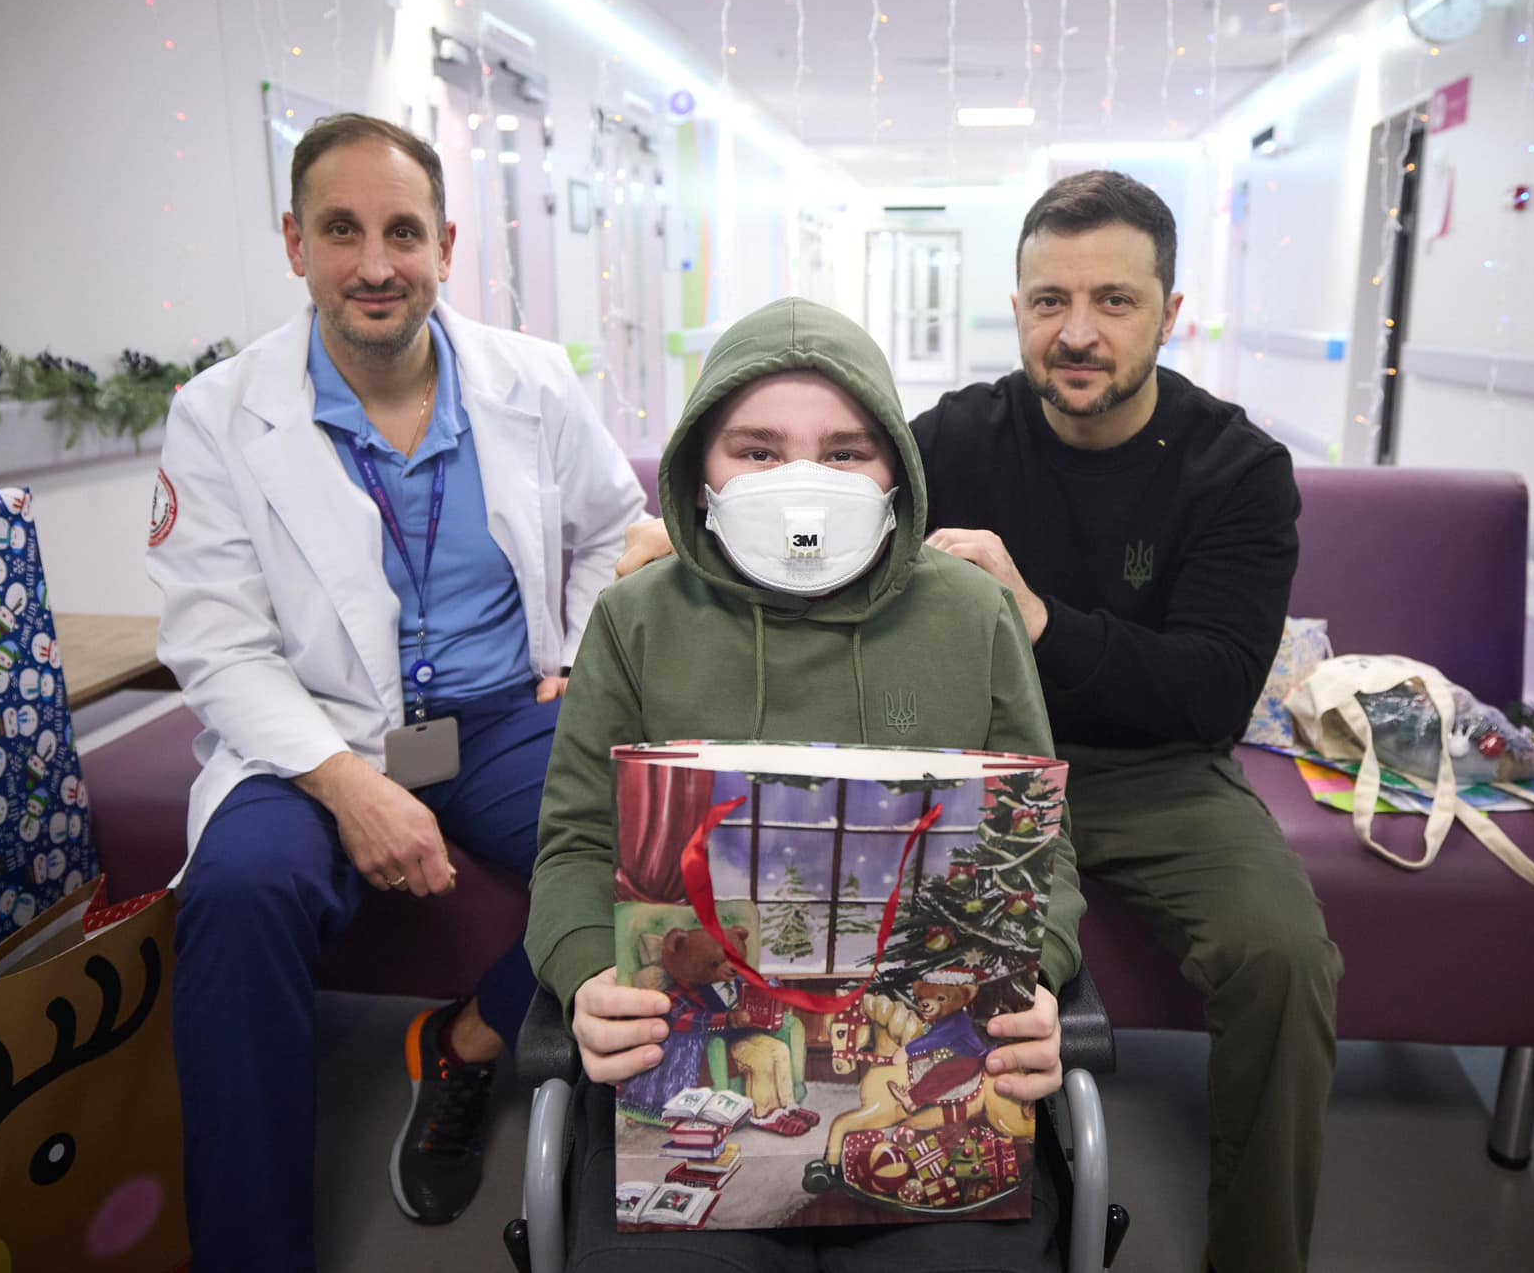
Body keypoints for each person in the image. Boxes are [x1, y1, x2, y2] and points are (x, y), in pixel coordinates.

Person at [618, 172, 1341, 1273]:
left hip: (1154, 775)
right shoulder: (958, 436)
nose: (1078, 332)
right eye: (1050, 301)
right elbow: (832, 492)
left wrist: (1038, 619)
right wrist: (694, 532)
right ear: (1015, 309)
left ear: (1170, 313)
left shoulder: (1235, 469)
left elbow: (1211, 692)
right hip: (961, 761)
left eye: (1114, 300)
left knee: (1283, 955)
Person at [148, 113, 646, 1270]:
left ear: (444, 245)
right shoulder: (219, 412)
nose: (375, 264)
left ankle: (464, 1044)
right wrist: (346, 784)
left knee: (655, 855)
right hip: (311, 730)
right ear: (295, 244)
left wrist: (580, 657)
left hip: (502, 712)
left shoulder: (528, 380)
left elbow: (608, 529)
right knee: (238, 894)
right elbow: (216, 643)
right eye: (341, 231)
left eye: (402, 233)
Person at [525, 295, 1086, 1270]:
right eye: (756, 450)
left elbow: (1040, 843)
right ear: (699, 468)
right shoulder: (633, 619)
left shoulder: (974, 615)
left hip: (935, 1087)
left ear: (896, 468)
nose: (800, 484)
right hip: (684, 1082)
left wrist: (1036, 976)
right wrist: (589, 979)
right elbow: (575, 843)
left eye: (843, 452)